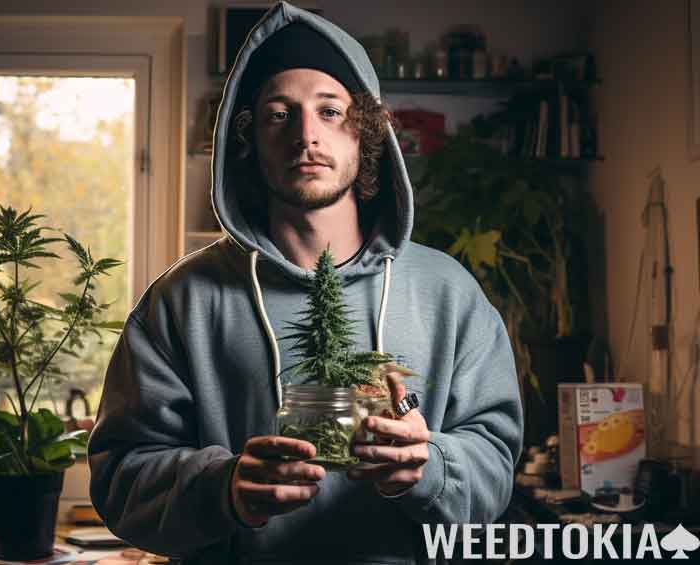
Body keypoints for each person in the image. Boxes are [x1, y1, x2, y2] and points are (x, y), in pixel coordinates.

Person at [88, 2, 523, 564]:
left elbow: (495, 464)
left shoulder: (450, 294)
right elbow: (121, 476)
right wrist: (224, 488)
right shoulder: (181, 302)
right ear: (245, 139)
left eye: (330, 111)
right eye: (278, 114)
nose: (306, 135)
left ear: (365, 132)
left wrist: (431, 467)